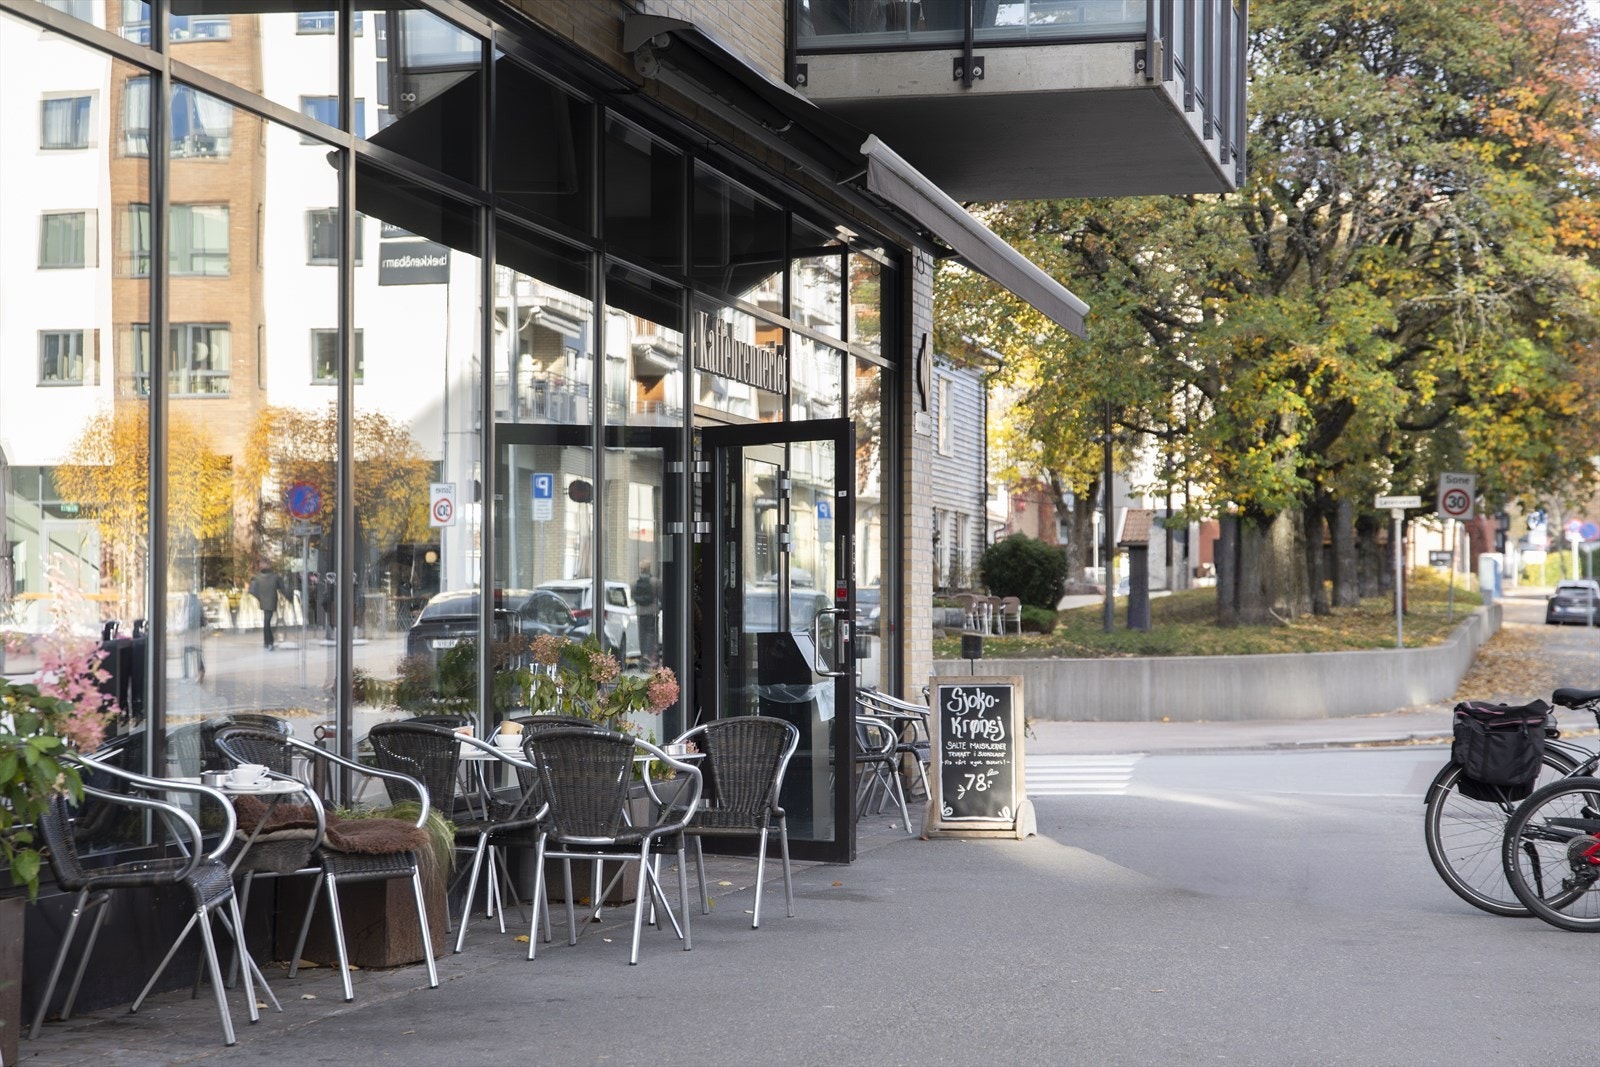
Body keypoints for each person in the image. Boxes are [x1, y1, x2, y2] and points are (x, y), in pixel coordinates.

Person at [248, 563, 289, 650]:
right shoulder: (274, 577)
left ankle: (268, 641)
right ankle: (269, 641)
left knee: (266, 622)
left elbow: (252, 590)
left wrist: (260, 597)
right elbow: (283, 589)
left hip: (266, 601)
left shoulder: (259, 578)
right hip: (270, 601)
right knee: (267, 622)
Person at [634, 560, 659, 666]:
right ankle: (649, 655)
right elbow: (661, 595)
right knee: (651, 634)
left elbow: (633, 596)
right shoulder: (655, 581)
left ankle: (643, 654)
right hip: (652, 612)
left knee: (642, 634)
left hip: (640, 612)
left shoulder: (636, 582)